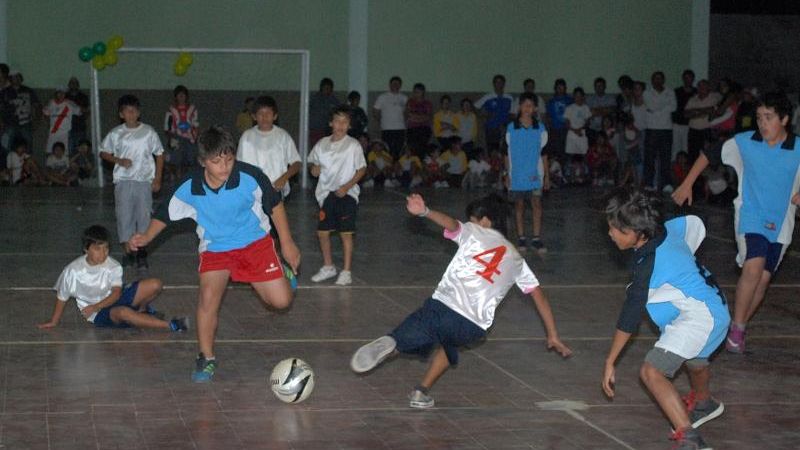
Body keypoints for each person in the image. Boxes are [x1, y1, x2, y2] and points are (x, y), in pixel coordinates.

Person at [351, 193, 571, 408]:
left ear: (486, 220)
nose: (471, 222)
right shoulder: (516, 258)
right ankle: (420, 392)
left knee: (412, 335)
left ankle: (393, 345)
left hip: (442, 307)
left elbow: (451, 224)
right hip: (472, 326)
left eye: (474, 219)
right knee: (450, 344)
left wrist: (425, 211)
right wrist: (552, 335)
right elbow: (538, 295)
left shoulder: (475, 232)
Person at [129, 126, 300, 382]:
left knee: (281, 302)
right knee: (208, 298)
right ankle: (206, 357)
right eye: (216, 161)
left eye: (229, 159)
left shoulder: (251, 176)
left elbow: (274, 204)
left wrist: (286, 243)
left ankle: (281, 271)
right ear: (202, 161)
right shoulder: (190, 185)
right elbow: (165, 215)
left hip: (254, 243)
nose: (224, 167)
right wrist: (146, 237)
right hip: (216, 247)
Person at [672, 91, 800, 354]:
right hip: (750, 216)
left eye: (769, 117)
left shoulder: (796, 147)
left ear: (785, 120)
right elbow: (709, 154)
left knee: (762, 282)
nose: (762, 124)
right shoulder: (745, 142)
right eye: (759, 117)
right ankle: (737, 333)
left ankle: (735, 326)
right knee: (753, 267)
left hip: (781, 223)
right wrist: (687, 183)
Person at [602, 187, 728, 450]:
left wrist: (610, 361)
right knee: (695, 358)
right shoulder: (667, 229)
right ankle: (705, 403)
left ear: (639, 234)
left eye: (617, 229)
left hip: (700, 317)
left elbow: (629, 318)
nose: (611, 233)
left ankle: (691, 441)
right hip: (717, 308)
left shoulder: (647, 266)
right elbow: (695, 225)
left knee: (651, 371)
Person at [38, 225, 187, 332]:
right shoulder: (72, 271)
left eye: (106, 248)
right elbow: (61, 297)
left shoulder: (113, 265)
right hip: (98, 314)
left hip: (113, 299)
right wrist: (54, 321)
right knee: (123, 313)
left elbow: (116, 294)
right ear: (86, 249)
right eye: (97, 249)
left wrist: (95, 306)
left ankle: (142, 311)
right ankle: (171, 325)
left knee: (156, 284)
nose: (103, 254)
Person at [99, 94, 165, 272]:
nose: (131, 114)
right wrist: (119, 161)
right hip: (123, 182)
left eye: (134, 111)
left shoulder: (148, 132)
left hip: (143, 181)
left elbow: (159, 154)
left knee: (143, 217)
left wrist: (157, 178)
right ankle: (128, 252)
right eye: (127, 111)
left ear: (139, 112)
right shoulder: (116, 133)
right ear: (121, 114)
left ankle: (142, 253)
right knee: (124, 217)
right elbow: (103, 152)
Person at [308, 105, 367, 286]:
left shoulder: (353, 145)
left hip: (346, 194)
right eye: (337, 121)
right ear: (331, 123)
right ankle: (328, 266)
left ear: (349, 125)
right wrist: (314, 169)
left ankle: (346, 271)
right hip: (327, 194)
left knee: (345, 233)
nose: (340, 125)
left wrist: (347, 186)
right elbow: (313, 163)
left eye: (345, 122)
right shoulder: (322, 144)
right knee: (323, 232)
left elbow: (362, 168)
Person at [505, 92, 548, 253]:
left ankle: (536, 238)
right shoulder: (511, 128)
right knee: (519, 206)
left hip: (535, 174)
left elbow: (544, 154)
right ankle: (521, 237)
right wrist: (506, 175)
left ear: (535, 108)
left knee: (536, 204)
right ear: (519, 107)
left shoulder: (540, 128)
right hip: (516, 175)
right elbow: (506, 153)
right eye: (525, 105)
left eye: (531, 106)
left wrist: (547, 176)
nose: (527, 109)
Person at [236, 95, 301, 199]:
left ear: (275, 116)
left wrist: (284, 178)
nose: (264, 117)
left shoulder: (282, 136)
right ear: (254, 116)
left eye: (268, 113)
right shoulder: (246, 137)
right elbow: (239, 164)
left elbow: (296, 163)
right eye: (261, 113)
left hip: (275, 189)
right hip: (252, 191)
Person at [643, 71, 677, 192]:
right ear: (652, 80)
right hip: (652, 128)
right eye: (655, 78)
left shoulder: (670, 91)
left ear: (663, 80)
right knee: (650, 158)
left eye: (660, 78)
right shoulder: (647, 92)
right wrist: (663, 107)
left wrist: (657, 109)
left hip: (666, 129)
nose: (657, 80)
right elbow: (651, 106)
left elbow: (673, 107)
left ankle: (666, 183)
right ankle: (649, 183)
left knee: (666, 158)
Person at [164, 85, 199, 180]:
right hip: (176, 137)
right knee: (176, 160)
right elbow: (167, 127)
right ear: (175, 97)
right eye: (179, 95)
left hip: (190, 138)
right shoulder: (171, 110)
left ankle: (189, 179)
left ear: (187, 96)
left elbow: (196, 124)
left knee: (191, 160)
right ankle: (177, 179)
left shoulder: (192, 109)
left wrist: (194, 138)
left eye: (183, 95)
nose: (181, 97)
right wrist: (171, 139)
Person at [475, 75, 513, 151]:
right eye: (497, 82)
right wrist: (483, 115)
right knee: (492, 151)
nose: (499, 84)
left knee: (506, 150)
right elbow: (475, 107)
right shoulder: (488, 97)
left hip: (505, 127)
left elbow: (512, 112)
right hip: (492, 127)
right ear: (494, 84)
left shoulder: (509, 97)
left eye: (501, 82)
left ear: (504, 84)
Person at [373, 76, 407, 158]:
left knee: (399, 150)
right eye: (393, 83)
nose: (395, 85)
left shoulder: (404, 98)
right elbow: (375, 111)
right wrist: (380, 121)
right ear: (390, 85)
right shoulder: (383, 97)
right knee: (387, 150)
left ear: (400, 85)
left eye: (397, 84)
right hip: (387, 128)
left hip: (400, 128)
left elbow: (407, 112)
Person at [564, 87, 591, 183]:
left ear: (583, 97)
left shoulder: (586, 107)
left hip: (582, 135)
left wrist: (580, 129)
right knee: (571, 157)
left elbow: (588, 121)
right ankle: (570, 177)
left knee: (584, 155)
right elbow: (567, 122)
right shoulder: (569, 108)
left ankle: (585, 177)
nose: (578, 98)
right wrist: (575, 130)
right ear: (573, 97)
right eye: (576, 96)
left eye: (580, 96)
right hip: (571, 134)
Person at [43, 87, 81, 155]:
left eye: (63, 93)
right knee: (50, 152)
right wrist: (48, 124)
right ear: (56, 94)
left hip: (65, 133)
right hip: (53, 132)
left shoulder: (69, 103)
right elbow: (45, 113)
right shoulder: (51, 103)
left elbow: (79, 111)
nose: (61, 95)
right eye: (59, 93)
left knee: (65, 153)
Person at [545, 78, 573, 163]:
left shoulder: (570, 100)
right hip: (554, 129)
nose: (560, 89)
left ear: (565, 88)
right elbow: (548, 116)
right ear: (555, 88)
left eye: (562, 87)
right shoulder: (551, 101)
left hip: (567, 129)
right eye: (558, 87)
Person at [309, 78, 340, 148]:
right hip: (316, 129)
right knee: (317, 148)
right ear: (321, 88)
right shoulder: (315, 99)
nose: (327, 90)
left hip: (329, 130)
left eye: (329, 89)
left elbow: (338, 111)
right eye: (326, 88)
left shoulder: (333, 100)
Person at [672, 69, 696, 160]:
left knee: (686, 148)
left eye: (690, 78)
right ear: (683, 79)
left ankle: (686, 170)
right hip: (677, 124)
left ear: (693, 79)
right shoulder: (677, 91)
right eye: (686, 78)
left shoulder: (696, 92)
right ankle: (675, 170)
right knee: (675, 148)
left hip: (690, 124)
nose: (687, 80)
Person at [587, 77, 617, 143]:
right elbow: (590, 113)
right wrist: (605, 110)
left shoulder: (610, 98)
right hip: (593, 129)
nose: (599, 87)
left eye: (601, 86)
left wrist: (596, 111)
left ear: (605, 86)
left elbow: (613, 111)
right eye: (597, 86)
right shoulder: (590, 99)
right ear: (594, 87)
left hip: (607, 129)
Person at [405, 83, 433, 153]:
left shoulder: (427, 103)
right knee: (412, 149)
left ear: (422, 92)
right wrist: (420, 117)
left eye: (418, 92)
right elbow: (408, 115)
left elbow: (428, 117)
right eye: (414, 92)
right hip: (412, 129)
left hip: (424, 129)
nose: (415, 94)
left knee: (422, 149)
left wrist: (415, 117)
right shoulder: (410, 102)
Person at [65, 77, 90, 153]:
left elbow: (87, 110)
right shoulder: (65, 97)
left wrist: (83, 116)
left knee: (81, 149)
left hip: (80, 127)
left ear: (78, 85)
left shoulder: (83, 97)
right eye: (72, 83)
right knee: (69, 149)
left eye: (75, 83)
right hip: (67, 127)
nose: (73, 85)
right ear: (69, 85)